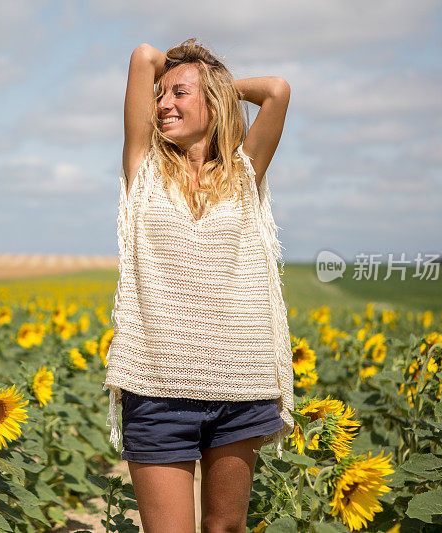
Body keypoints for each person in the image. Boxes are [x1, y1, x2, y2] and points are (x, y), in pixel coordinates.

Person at [103, 37, 294, 532]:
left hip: (240, 385)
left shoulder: (243, 173)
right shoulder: (143, 170)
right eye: (160, 95)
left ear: (215, 102)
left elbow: (276, 91)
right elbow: (144, 56)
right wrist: (181, 75)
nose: (163, 103)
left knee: (225, 529)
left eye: (180, 94)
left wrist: (218, 82)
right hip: (159, 386)